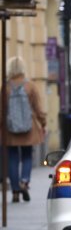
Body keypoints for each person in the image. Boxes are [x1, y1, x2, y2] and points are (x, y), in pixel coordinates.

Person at [4, 57, 47, 203]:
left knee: (12, 158)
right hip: (29, 128)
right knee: (28, 155)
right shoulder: (30, 86)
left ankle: (15, 191)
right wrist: (43, 123)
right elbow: (38, 108)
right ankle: (24, 181)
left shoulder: (5, 87)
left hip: (10, 130)